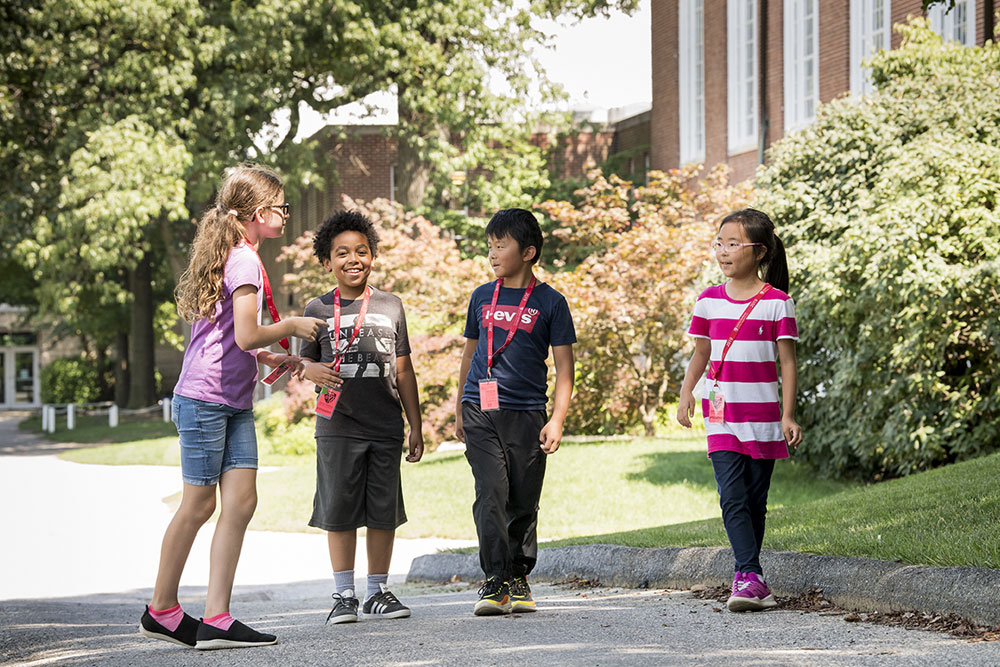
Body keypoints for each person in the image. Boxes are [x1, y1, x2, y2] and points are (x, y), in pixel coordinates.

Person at [140, 164, 326, 649]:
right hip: (204, 400)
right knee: (199, 505)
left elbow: (233, 339)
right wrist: (292, 327)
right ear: (259, 212)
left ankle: (217, 618)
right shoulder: (242, 259)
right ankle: (161, 609)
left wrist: (273, 355)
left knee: (241, 502)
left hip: (233, 400)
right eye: (282, 207)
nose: (286, 214)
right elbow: (245, 332)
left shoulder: (242, 255)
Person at [300, 210, 424, 625]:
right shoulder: (316, 308)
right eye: (342, 253)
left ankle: (377, 592)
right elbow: (303, 365)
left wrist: (416, 426)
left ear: (372, 257)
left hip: (386, 426)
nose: (353, 259)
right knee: (339, 511)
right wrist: (309, 369)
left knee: (383, 512)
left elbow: (403, 369)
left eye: (362, 251)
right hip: (337, 428)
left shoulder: (391, 305)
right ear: (326, 262)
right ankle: (344, 594)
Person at [676, 208, 802, 612]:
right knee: (730, 496)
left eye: (733, 243)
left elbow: (788, 363)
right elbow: (701, 353)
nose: (723, 251)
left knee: (753, 501)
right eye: (720, 242)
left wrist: (788, 414)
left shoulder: (778, 304)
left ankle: (751, 578)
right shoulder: (708, 301)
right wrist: (686, 393)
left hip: (764, 418)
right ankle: (747, 573)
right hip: (722, 416)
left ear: (759, 251)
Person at [455, 208, 576, 616]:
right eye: (489, 246)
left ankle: (518, 574)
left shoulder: (551, 302)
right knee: (490, 493)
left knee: (523, 499)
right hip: (479, 408)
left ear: (528, 251)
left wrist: (556, 418)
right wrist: (459, 406)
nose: (492, 254)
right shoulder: (481, 296)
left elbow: (564, 369)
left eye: (500, 245)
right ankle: (494, 579)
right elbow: (469, 353)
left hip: (527, 413)